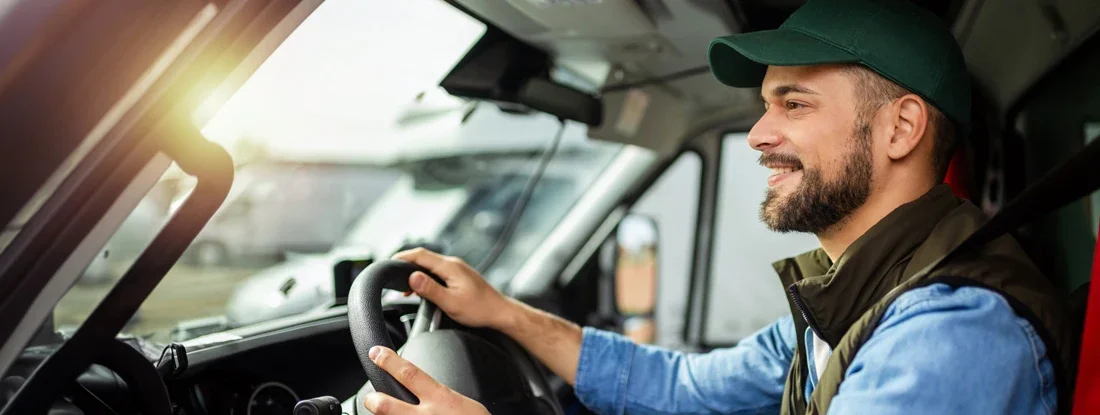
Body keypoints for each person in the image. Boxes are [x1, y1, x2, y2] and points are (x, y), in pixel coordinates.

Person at [360, 0, 1073, 413]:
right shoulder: (856, 292)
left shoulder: (950, 333)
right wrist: (507, 313)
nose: (761, 135)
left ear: (901, 128)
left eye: (793, 103)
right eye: (764, 106)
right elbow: (681, 386)